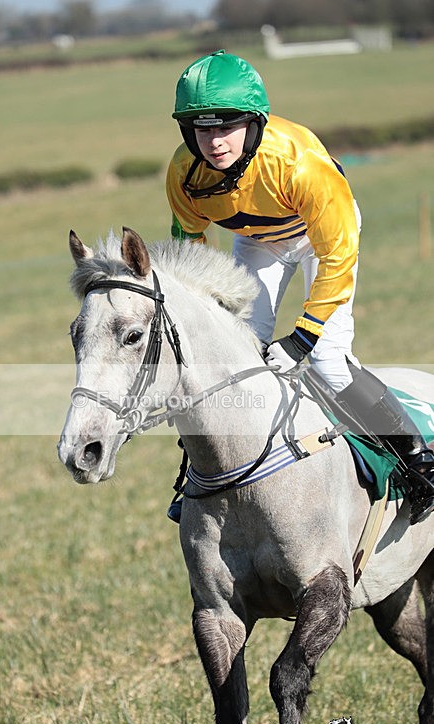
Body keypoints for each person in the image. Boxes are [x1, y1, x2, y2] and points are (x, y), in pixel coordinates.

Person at [166, 49, 434, 525]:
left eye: (228, 126)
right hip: (258, 242)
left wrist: (304, 337)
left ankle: (418, 460)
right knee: (236, 355)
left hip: (322, 239)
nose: (215, 141)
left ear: (254, 123)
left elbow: (338, 255)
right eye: (201, 129)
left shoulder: (300, 165)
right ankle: (205, 476)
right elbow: (191, 251)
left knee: (328, 360)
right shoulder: (184, 172)